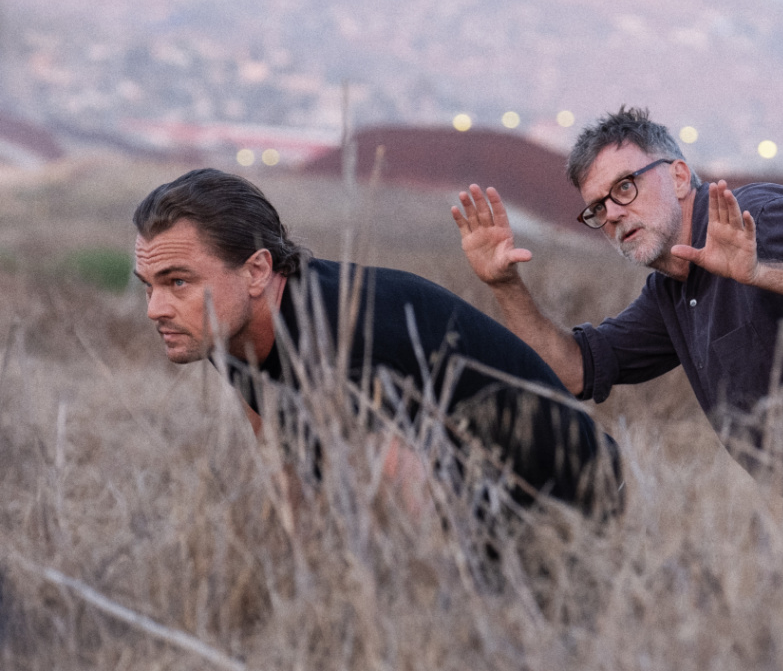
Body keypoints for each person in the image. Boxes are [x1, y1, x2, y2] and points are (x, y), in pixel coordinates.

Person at [452, 107, 783, 545]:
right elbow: (574, 370)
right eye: (597, 209)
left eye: (624, 188)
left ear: (680, 176)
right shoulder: (670, 292)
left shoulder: (755, 215)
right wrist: (504, 287)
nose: (612, 214)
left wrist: (758, 271)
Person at [132, 168, 620, 518]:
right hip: (473, 506)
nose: (156, 308)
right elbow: (283, 465)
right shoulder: (232, 325)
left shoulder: (340, 332)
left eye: (177, 282)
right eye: (148, 284)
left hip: (576, 511)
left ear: (257, 270)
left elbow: (415, 527)